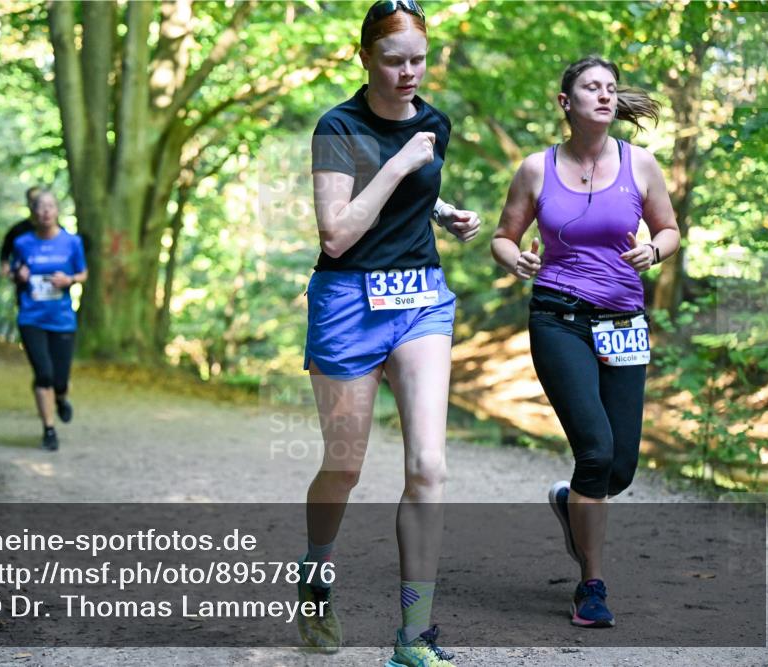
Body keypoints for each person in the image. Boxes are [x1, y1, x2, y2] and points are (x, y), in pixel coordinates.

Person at [297, 2, 480, 665]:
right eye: (394, 60)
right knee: (345, 465)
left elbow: (410, 197)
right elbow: (337, 233)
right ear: (365, 57)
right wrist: (401, 164)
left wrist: (442, 210)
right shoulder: (337, 126)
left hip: (420, 300)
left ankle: (413, 635)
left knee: (428, 465)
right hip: (348, 302)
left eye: (418, 60)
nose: (409, 73)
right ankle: (316, 571)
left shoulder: (434, 124)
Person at [491, 55, 679, 628]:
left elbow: (670, 229)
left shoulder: (640, 164)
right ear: (565, 102)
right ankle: (591, 585)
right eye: (591, 87)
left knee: (618, 469)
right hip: (559, 317)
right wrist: (517, 260)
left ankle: (568, 502)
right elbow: (504, 236)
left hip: (623, 321)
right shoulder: (536, 168)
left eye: (610, 88)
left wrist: (655, 250)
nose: (604, 95)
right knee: (594, 451)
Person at [12, 190, 88, 451]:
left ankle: (61, 398)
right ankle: (49, 429)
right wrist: (19, 275)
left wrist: (70, 280)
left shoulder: (72, 242)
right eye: (40, 207)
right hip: (31, 317)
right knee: (43, 374)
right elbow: (15, 270)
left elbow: (83, 273)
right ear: (33, 213)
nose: (45, 211)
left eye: (50, 206)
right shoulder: (22, 243)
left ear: (57, 211)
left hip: (62, 319)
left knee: (60, 380)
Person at [0, 186, 42, 283]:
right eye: (32, 200)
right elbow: (5, 251)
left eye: (38, 200)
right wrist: (7, 268)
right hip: (24, 282)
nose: (36, 204)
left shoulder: (58, 230)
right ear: (28, 203)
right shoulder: (17, 230)